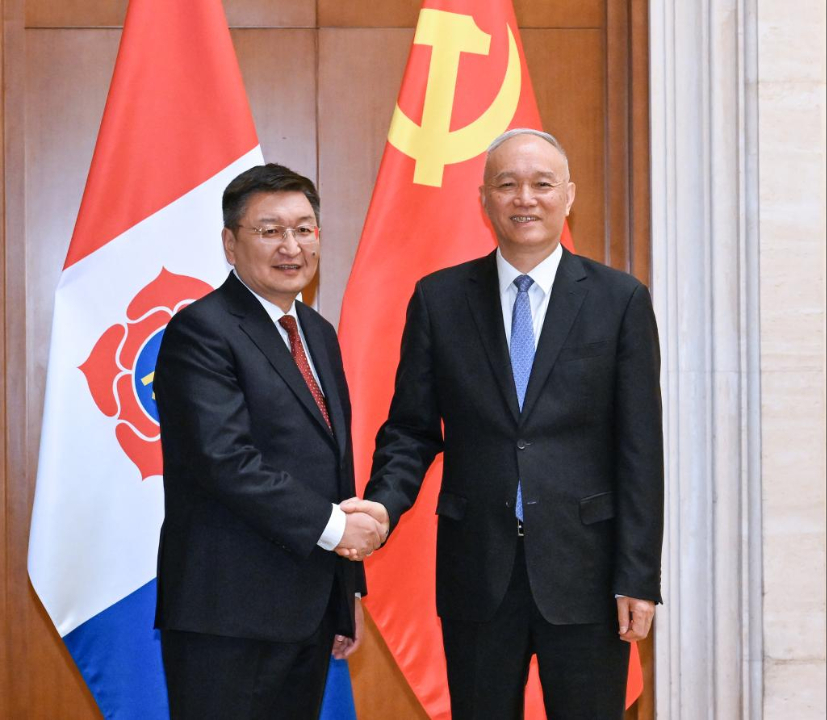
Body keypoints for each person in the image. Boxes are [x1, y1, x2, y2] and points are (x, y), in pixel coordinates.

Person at [342, 129, 664, 719]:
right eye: (507, 184)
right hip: (477, 569)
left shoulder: (619, 301)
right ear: (484, 199)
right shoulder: (439, 300)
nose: (525, 198)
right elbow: (411, 429)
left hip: (587, 574)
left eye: (542, 184)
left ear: (568, 196)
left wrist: (637, 577)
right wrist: (383, 505)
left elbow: (640, 449)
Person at [153, 163, 383, 719]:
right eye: (270, 230)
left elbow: (332, 464)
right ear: (230, 244)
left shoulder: (317, 334)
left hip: (306, 612)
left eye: (305, 229)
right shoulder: (201, 330)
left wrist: (342, 594)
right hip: (227, 617)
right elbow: (224, 461)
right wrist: (337, 530)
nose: (292, 246)